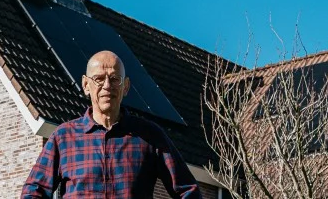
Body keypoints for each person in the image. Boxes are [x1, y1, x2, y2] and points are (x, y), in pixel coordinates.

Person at [20, 50, 202, 198]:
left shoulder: (150, 136)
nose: (107, 85)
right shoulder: (64, 138)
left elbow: (187, 191)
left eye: (115, 79)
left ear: (126, 86)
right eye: (99, 78)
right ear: (85, 85)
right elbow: (33, 192)